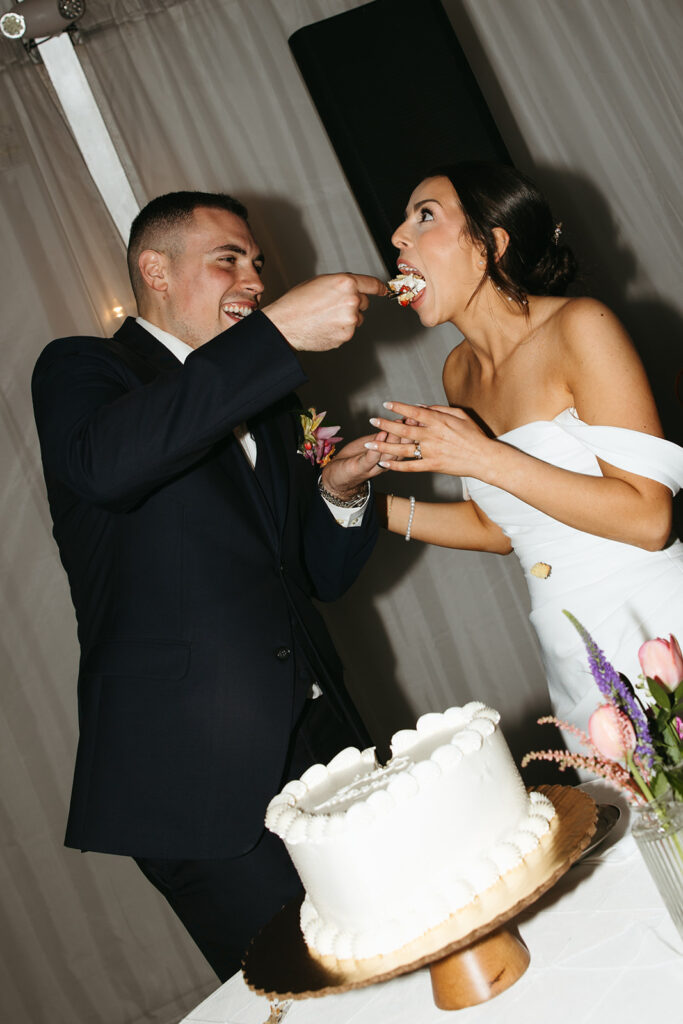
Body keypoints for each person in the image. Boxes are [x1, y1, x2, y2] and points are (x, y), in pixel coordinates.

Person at [31, 191, 389, 980]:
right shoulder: (87, 370)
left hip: (323, 748)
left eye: (257, 263)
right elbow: (106, 466)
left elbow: (316, 578)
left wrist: (340, 492)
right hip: (197, 782)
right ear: (154, 271)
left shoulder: (267, 403)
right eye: (228, 259)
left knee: (399, 955)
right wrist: (276, 336)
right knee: (310, 995)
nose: (254, 278)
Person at [367, 162, 683, 745]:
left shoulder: (580, 326)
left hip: (657, 626)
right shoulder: (457, 372)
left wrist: (481, 456)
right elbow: (502, 526)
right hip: (568, 648)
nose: (397, 237)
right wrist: (367, 507)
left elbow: (649, 518)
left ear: (491, 244)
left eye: (426, 216)